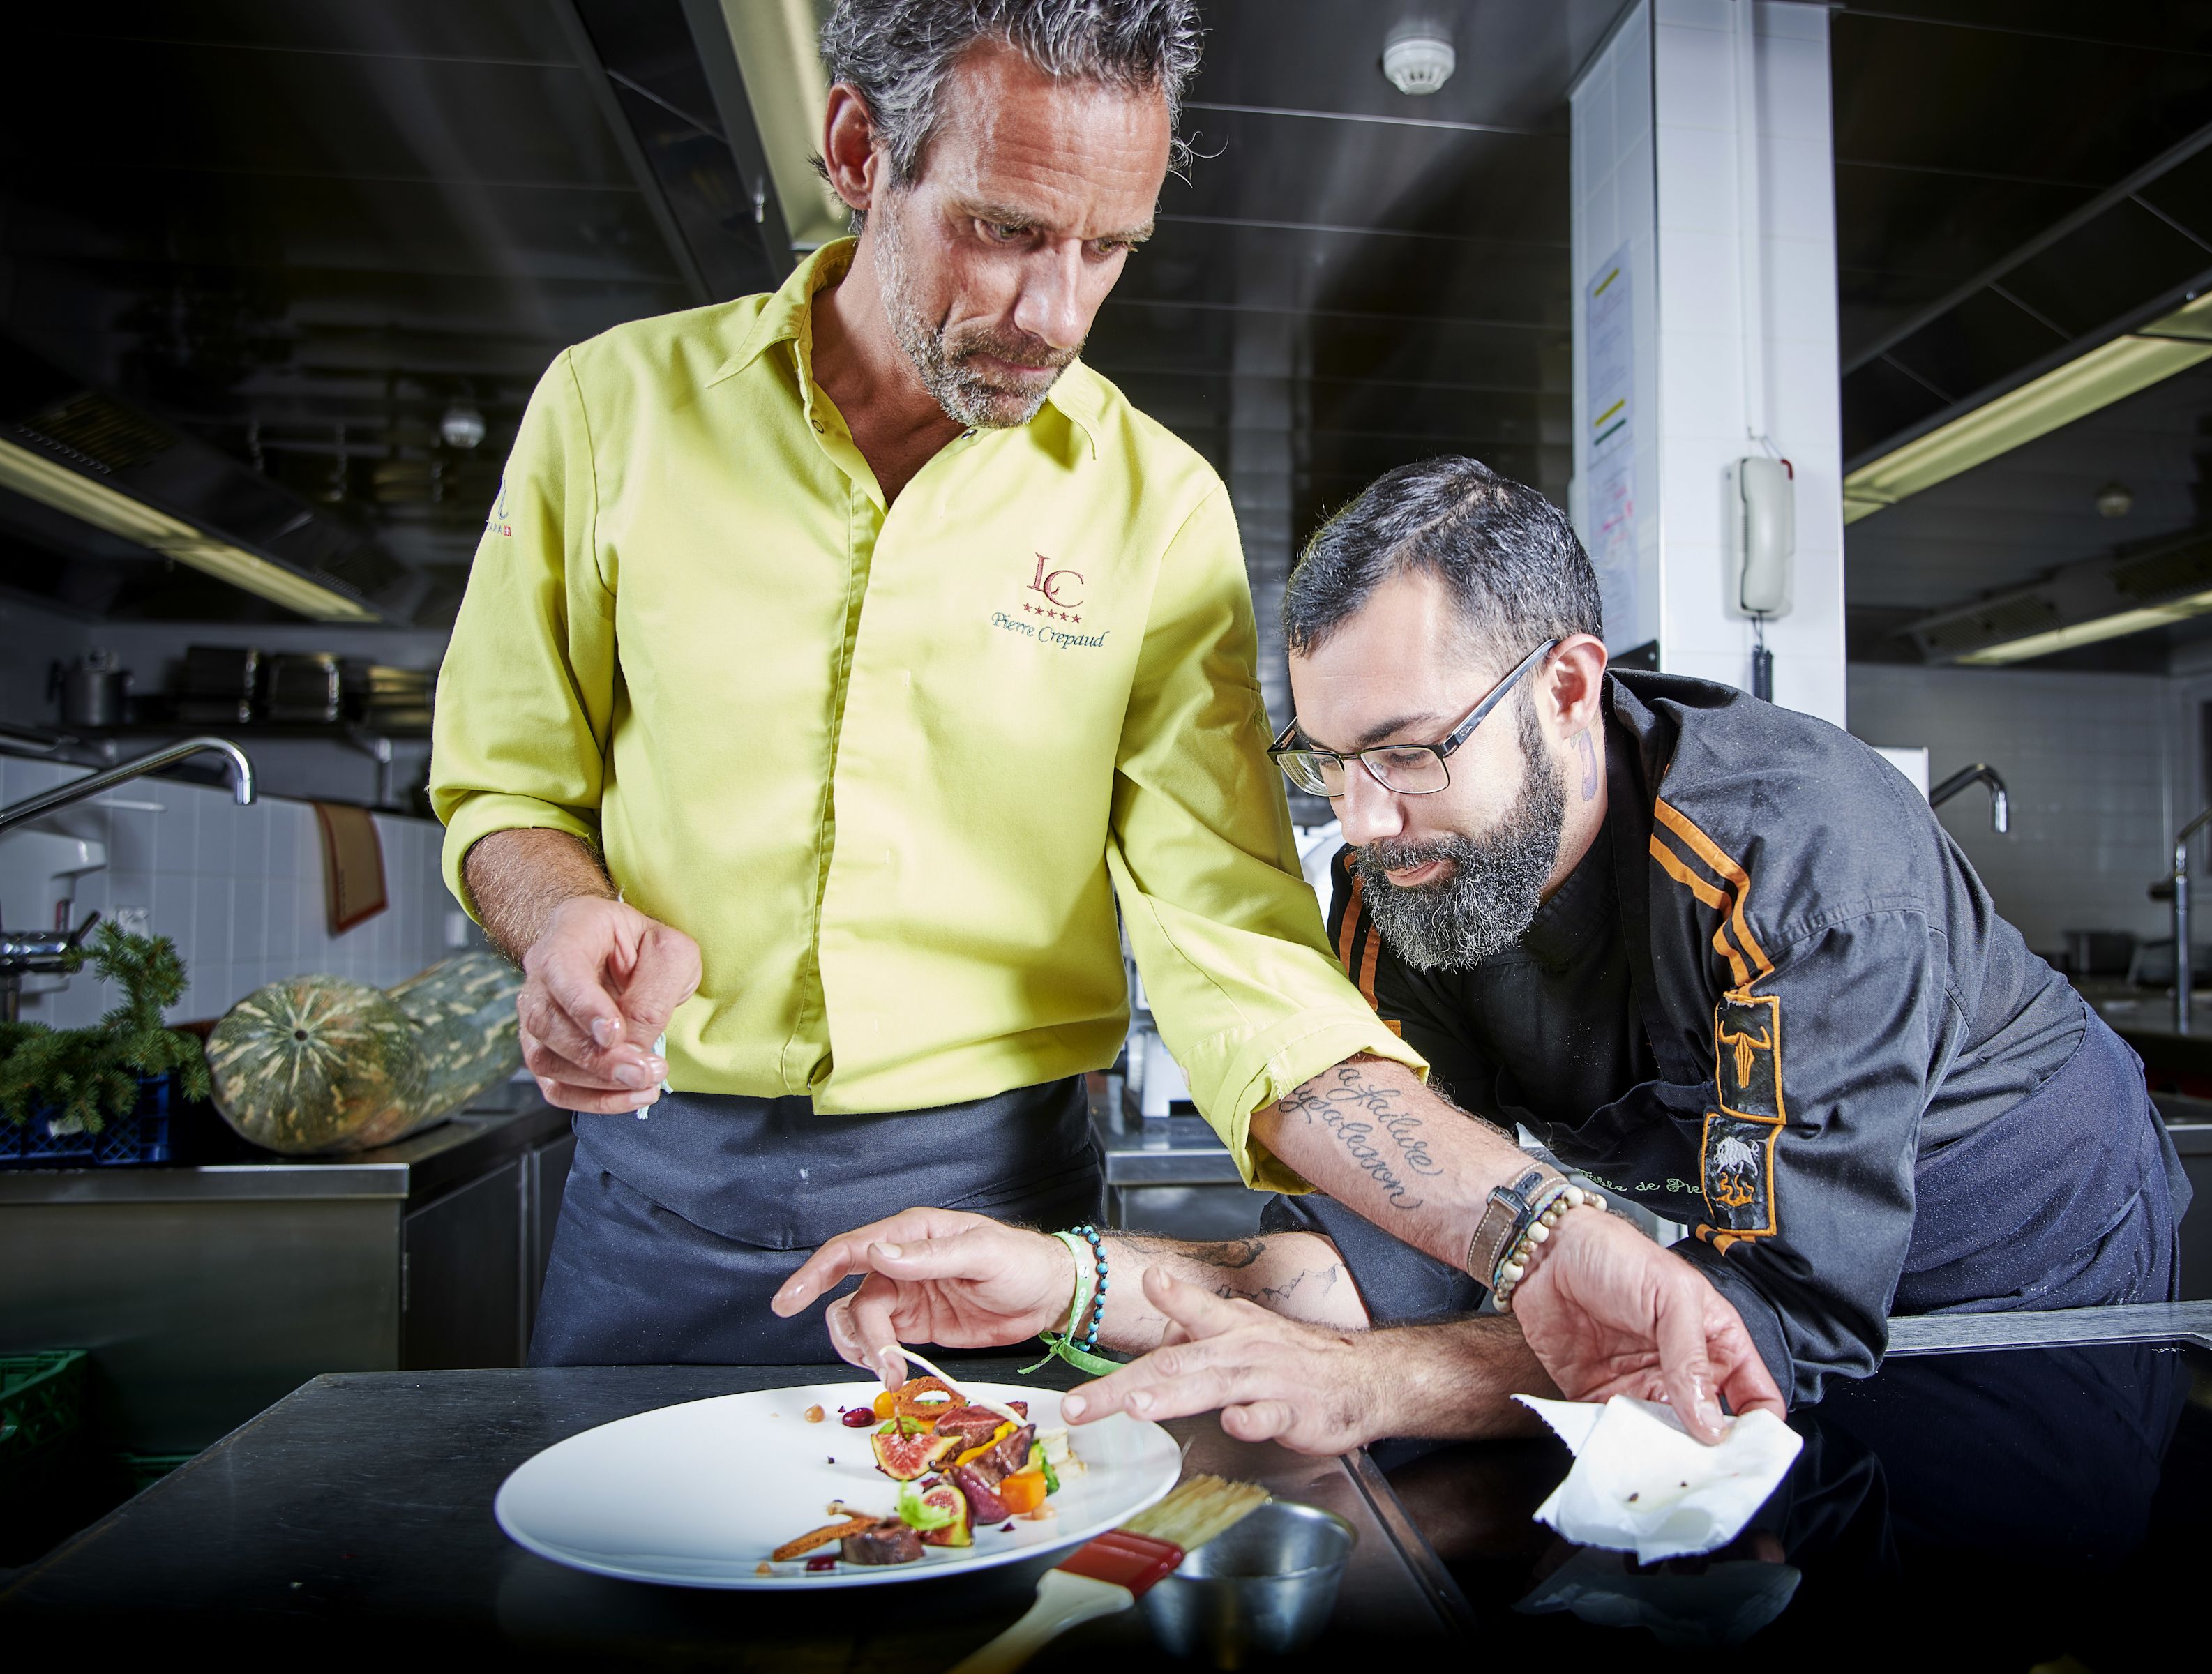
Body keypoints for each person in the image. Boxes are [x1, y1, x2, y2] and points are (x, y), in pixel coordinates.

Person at [438, 0, 1764, 1424]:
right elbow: (508, 791)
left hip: (995, 1240)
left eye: (1109, 248)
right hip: (651, 1217)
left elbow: (1235, 949)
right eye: (1006, 230)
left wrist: (1534, 1233)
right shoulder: (613, 412)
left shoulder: (1161, 511)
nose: (1055, 316)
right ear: (856, 150)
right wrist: (557, 915)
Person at [778, 454, 2188, 1445]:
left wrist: (1382, 1390)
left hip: (2018, 1234)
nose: (1366, 822)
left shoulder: (1798, 856)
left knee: (1990, 1566)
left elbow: (1785, 1317)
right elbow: (1377, 1262)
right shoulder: (1410, 893)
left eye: (1407, 753)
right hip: (1753, 1255)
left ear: (1567, 687)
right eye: (1326, 762)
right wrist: (1078, 1279)